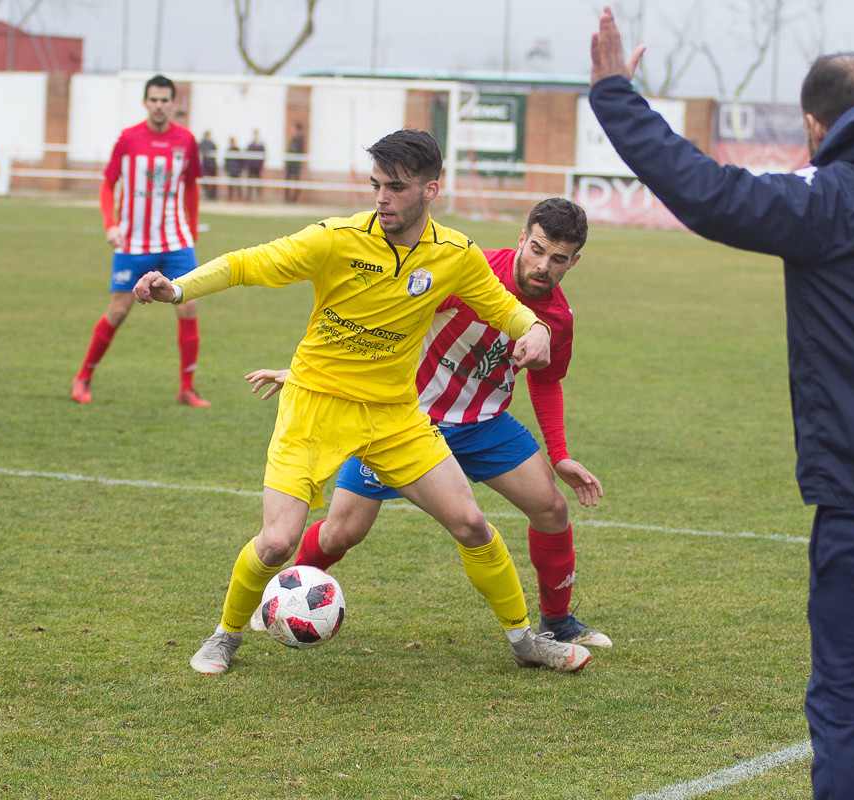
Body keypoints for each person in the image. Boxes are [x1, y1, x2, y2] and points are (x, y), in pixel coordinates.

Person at [588, 8, 854, 800]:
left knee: (847, 714)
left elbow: (703, 189)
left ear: (817, 126)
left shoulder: (824, 204)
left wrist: (616, 93)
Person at [132, 129, 592, 677]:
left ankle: (526, 642)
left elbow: (504, 307)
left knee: (471, 524)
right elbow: (248, 263)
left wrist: (534, 329)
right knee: (279, 542)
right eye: (376, 185)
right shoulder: (336, 239)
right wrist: (179, 288)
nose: (381, 198)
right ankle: (224, 635)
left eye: (395, 187)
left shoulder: (455, 255)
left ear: (430, 190)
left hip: (395, 416)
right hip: (314, 408)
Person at [246, 197, 611, 649]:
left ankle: (557, 621)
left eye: (558, 259)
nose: (543, 265)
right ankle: (283, 595)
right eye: (537, 249)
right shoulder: (470, 273)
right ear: (522, 239)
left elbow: (547, 381)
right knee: (343, 531)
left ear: (573, 262)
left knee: (552, 509)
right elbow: (379, 316)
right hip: (404, 421)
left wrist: (560, 456)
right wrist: (307, 375)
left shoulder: (557, 317)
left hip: (484, 424)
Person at [71, 74, 209, 408]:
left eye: (165, 100)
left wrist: (189, 228)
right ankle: (83, 377)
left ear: (173, 103)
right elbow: (107, 184)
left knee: (189, 305)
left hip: (175, 239)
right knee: (118, 310)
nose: (159, 106)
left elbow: (191, 186)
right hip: (132, 242)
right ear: (145, 102)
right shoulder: (127, 139)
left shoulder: (186, 140)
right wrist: (111, 224)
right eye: (154, 100)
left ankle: (186, 388)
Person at [284, 121, 306, 203]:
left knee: (296, 180)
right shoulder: (291, 140)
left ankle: (294, 198)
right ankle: (287, 198)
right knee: (287, 180)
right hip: (290, 164)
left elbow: (299, 152)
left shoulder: (299, 140)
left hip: (296, 164)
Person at [245, 128, 265, 202]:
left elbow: (263, 155)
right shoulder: (250, 145)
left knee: (258, 183)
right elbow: (247, 155)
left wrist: (261, 164)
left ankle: (258, 197)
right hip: (251, 166)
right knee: (250, 182)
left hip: (258, 167)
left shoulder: (261, 145)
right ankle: (249, 197)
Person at [198, 130, 218, 200]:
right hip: (205, 165)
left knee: (213, 181)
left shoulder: (212, 144)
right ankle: (207, 193)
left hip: (212, 165)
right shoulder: (202, 144)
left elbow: (215, 151)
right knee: (204, 180)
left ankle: (212, 195)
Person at [224, 136, 244, 201]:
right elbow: (226, 160)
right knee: (230, 185)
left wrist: (240, 169)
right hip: (231, 170)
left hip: (237, 170)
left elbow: (241, 160)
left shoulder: (238, 150)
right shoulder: (228, 150)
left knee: (238, 185)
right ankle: (230, 197)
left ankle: (240, 197)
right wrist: (227, 169)